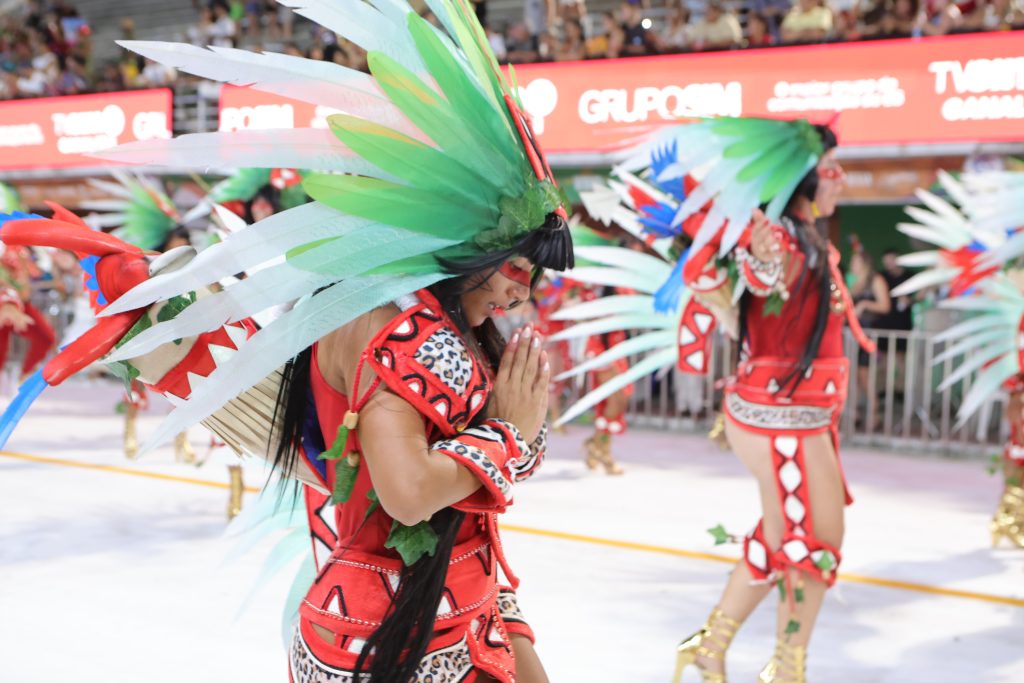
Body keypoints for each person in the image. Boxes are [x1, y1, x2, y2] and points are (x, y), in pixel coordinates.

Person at [0, 2, 575, 680]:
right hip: (402, 630)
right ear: (466, 245)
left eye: (532, 279)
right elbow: (410, 492)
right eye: (516, 271)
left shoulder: (417, 315)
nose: (521, 295)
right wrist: (508, 432)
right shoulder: (396, 324)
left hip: (462, 605)